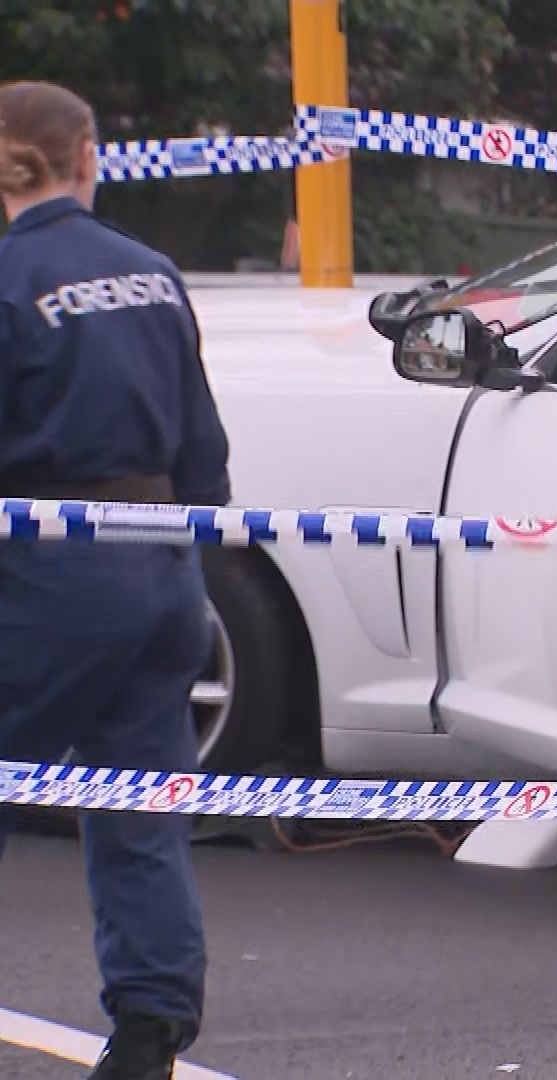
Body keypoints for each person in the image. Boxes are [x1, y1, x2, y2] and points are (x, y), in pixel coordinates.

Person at [0, 81, 231, 1079]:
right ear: (89, 159)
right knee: (139, 810)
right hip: (162, 565)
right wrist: (191, 573)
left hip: (51, 572)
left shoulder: (10, 278)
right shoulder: (153, 275)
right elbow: (205, 451)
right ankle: (148, 1035)